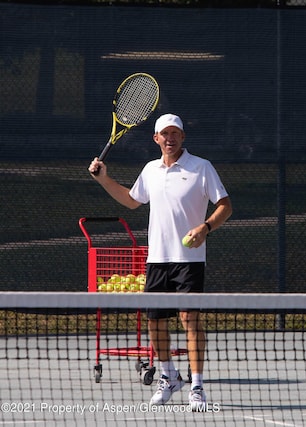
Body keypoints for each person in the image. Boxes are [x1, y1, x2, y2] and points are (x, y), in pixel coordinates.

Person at [88, 113, 232, 411]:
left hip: (189, 260)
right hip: (158, 260)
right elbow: (131, 200)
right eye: (164, 134)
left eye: (175, 133)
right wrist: (103, 179)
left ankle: (197, 386)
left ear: (183, 137)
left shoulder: (201, 168)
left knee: (189, 320)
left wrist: (205, 228)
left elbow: (225, 206)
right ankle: (168, 376)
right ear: (156, 139)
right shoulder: (151, 170)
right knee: (155, 322)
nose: (170, 138)